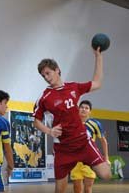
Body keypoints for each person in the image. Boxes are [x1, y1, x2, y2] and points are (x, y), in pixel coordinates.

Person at [33, 47, 111, 193]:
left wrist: (98, 57)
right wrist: (49, 131)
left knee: (106, 174)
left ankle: (90, 163)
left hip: (82, 142)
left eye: (48, 73)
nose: (46, 77)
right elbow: (36, 121)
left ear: (57, 70)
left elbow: (97, 83)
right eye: (43, 76)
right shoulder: (44, 97)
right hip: (63, 149)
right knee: (59, 190)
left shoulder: (73, 87)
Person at [71, 100, 110, 193]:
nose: (84, 109)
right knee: (77, 189)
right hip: (75, 161)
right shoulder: (72, 123)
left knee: (88, 188)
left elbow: (103, 141)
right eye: (82, 107)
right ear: (78, 109)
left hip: (89, 160)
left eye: (86, 108)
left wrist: (106, 158)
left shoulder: (95, 123)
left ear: (90, 111)